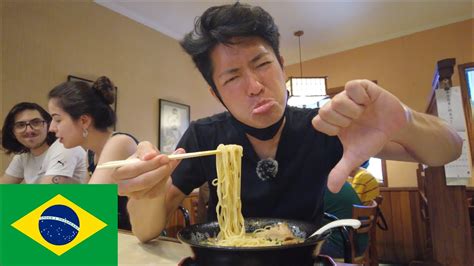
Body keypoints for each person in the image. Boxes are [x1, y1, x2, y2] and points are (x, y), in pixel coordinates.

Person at [111, 3, 462, 242]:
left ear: (282, 65)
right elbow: (145, 232)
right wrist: (148, 194)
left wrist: (403, 119)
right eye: (232, 78)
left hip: (306, 254)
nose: (254, 86)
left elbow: (446, 150)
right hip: (230, 258)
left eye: (262, 64)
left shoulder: (326, 127)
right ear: (215, 92)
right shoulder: (207, 135)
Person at [47, 76, 138, 230]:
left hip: (135, 241)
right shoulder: (90, 153)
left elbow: (89, 210)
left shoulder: (119, 143)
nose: (51, 128)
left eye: (57, 120)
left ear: (84, 121)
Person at [1, 102, 88, 184]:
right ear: (12, 132)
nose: (29, 130)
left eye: (36, 122)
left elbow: (46, 194)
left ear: (48, 125)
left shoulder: (64, 147)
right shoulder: (22, 157)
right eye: (20, 125)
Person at [321, 182, 367, 259]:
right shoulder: (343, 183)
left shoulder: (321, 187)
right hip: (360, 244)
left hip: (342, 247)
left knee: (299, 245)